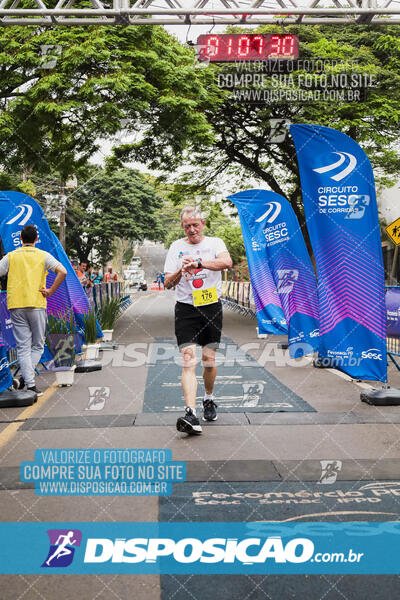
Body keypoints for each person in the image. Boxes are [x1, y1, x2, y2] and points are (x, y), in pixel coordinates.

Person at [164, 206, 232, 435]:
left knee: (208, 359)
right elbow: (167, 283)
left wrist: (200, 264)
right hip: (186, 309)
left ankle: (209, 399)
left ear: (203, 223)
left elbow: (226, 262)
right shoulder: (176, 247)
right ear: (182, 227)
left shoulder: (215, 243)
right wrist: (181, 271)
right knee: (188, 360)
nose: (191, 230)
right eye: (187, 226)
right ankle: (190, 412)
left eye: (195, 225)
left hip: (211, 306)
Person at [0, 224, 67, 396]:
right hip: (37, 303)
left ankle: (29, 384)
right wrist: (50, 291)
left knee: (23, 347)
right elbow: (63, 271)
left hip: (15, 305)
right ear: (36, 239)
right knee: (37, 345)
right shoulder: (43, 256)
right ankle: (27, 380)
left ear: (20, 239)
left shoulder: (11, 256)